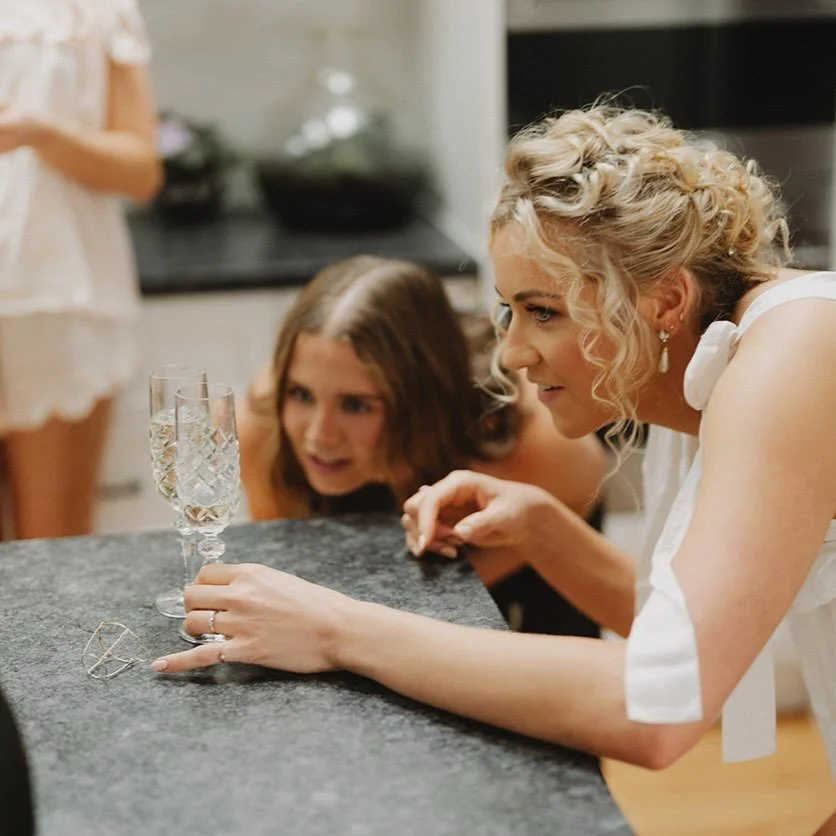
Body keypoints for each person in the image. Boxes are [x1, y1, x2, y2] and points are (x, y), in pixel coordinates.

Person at [152, 104, 836, 828]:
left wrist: (336, 629)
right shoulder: (710, 362)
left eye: (544, 311)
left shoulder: (792, 359)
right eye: (510, 311)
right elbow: (683, 634)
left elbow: (654, 708)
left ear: (666, 299)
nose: (511, 353)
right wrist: (544, 530)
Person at [236, 255, 606, 637]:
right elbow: (292, 564)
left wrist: (444, 587)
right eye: (301, 394)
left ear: (419, 401)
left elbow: (582, 483)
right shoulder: (265, 421)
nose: (318, 436)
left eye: (355, 405)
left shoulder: (526, 437)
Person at [0, 0, 161, 539]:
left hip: (59, 302)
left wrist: (36, 132)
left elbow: (141, 170)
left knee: (53, 548)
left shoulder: (93, 10)